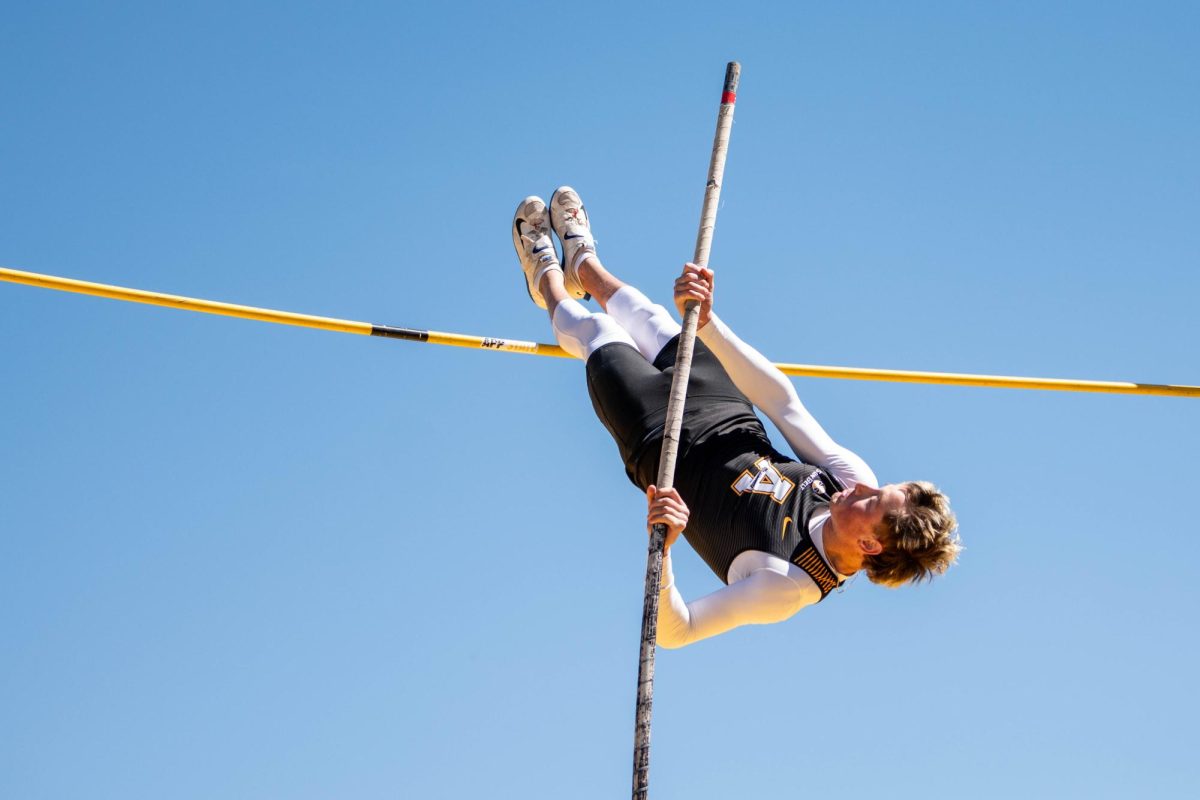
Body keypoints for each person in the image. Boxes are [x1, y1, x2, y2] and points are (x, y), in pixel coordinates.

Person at [512, 187, 961, 648]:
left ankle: (544, 275)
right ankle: (582, 262)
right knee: (646, 313)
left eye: (872, 502)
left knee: (597, 331)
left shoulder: (786, 585)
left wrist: (665, 551)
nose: (862, 487)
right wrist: (708, 321)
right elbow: (782, 402)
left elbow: (676, 631)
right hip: (723, 404)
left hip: (660, 440)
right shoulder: (851, 482)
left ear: (870, 545)